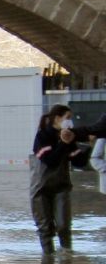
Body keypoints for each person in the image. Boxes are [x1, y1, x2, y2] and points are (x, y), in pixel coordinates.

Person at [31, 103, 88, 253]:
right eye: (67, 118)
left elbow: (80, 163)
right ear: (57, 118)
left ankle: (66, 258)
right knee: (45, 228)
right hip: (40, 189)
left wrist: (88, 146)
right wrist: (63, 143)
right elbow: (50, 161)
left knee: (64, 225)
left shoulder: (69, 138)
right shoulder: (42, 136)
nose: (70, 121)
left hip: (61, 186)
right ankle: (48, 262)